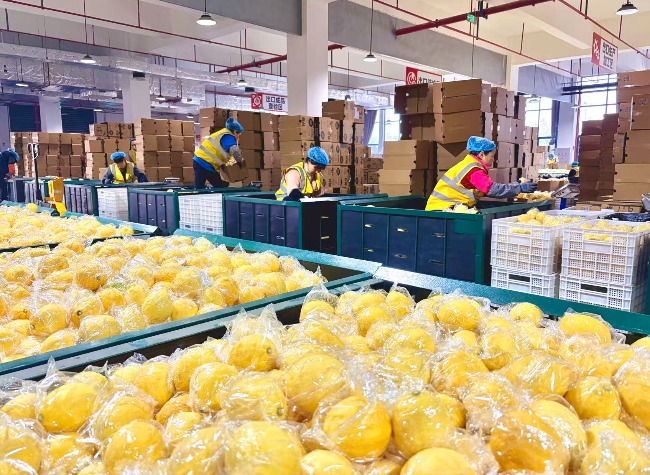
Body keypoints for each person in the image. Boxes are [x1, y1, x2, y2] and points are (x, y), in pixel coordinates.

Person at [425, 136, 537, 211]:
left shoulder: (470, 165)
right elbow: (493, 190)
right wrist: (519, 188)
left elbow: (485, 189)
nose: (493, 160)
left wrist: (515, 185)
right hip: (443, 210)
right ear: (482, 154)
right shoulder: (474, 170)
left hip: (447, 208)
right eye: (492, 156)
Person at [193, 117, 244, 189]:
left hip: (202, 162)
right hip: (204, 163)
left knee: (214, 186)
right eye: (239, 134)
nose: (238, 137)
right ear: (235, 131)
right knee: (216, 187)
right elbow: (234, 150)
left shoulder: (222, 133)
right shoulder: (228, 136)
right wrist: (240, 163)